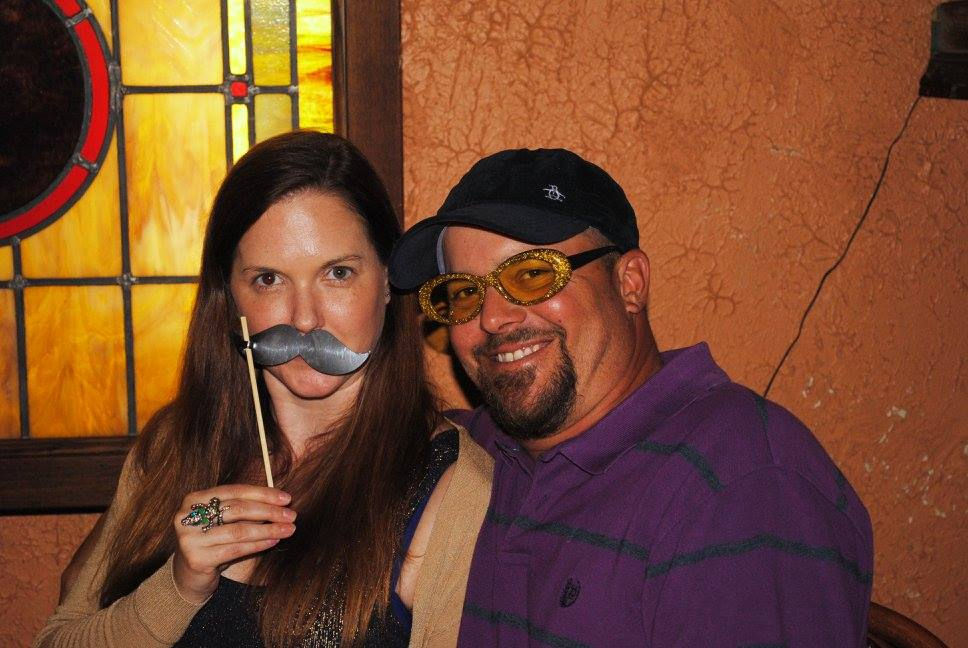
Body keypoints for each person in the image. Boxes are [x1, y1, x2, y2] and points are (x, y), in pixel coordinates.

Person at [388, 148, 875, 646]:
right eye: (465, 293)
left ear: (630, 284)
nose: (492, 318)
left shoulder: (740, 485)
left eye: (532, 274)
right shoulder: (482, 449)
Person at [34, 131, 492, 648]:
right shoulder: (170, 446)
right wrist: (178, 587)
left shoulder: (451, 485)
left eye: (338, 273)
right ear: (230, 296)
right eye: (269, 280)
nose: (304, 318)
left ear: (387, 282)